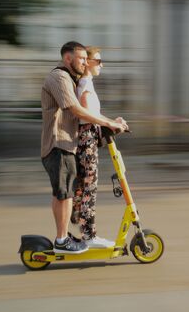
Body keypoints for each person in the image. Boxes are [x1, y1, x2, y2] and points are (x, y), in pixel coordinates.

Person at [41, 41, 128, 254]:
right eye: (82, 59)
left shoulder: (71, 79)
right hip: (58, 143)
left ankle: (73, 233)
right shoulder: (59, 77)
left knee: (70, 191)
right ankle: (63, 240)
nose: (85, 62)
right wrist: (109, 123)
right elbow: (76, 110)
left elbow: (85, 114)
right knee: (65, 192)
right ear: (68, 58)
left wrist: (109, 122)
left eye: (85, 59)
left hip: (67, 143)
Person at [70, 46, 118, 248]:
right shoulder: (85, 84)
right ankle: (89, 234)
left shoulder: (86, 83)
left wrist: (113, 122)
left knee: (84, 185)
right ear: (88, 62)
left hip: (88, 138)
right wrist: (109, 123)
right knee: (90, 186)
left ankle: (76, 214)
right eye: (98, 61)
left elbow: (94, 115)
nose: (101, 64)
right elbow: (87, 115)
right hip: (87, 140)